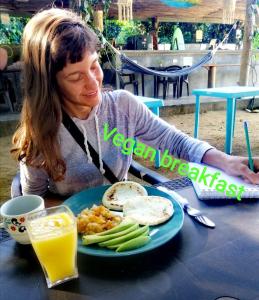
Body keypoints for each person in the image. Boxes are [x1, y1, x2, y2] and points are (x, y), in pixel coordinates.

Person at [11, 8, 259, 197]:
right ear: (50, 83)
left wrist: (227, 161)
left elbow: (174, 141)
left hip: (122, 219)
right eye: (76, 76)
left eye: (95, 65)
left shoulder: (122, 106)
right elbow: (35, 202)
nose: (92, 82)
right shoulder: (40, 130)